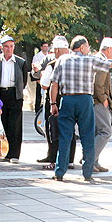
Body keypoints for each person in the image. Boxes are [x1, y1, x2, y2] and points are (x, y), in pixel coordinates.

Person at [49, 36, 112, 181]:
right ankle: (87, 173)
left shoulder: (62, 60)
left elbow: (54, 84)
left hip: (66, 99)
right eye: (87, 47)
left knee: (65, 137)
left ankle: (59, 172)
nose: (89, 49)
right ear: (81, 48)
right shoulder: (90, 60)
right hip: (85, 100)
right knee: (87, 137)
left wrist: (53, 103)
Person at [37, 39, 77, 169]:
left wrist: (42, 75)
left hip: (55, 102)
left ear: (57, 50)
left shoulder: (53, 64)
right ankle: (70, 159)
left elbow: (44, 85)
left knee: (53, 131)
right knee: (70, 130)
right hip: (72, 100)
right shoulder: (76, 62)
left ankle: (54, 159)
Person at [0, 35, 28, 163]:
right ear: (1, 47)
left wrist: (18, 92)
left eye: (11, 46)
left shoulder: (20, 62)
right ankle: (3, 152)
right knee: (2, 124)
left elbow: (24, 80)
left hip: (14, 95)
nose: (9, 49)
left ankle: (14, 154)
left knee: (15, 125)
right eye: (6, 46)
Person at [92, 37, 112, 173]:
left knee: (98, 132)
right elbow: (98, 83)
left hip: (97, 101)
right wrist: (104, 99)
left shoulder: (99, 58)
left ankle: (94, 161)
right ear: (109, 49)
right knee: (105, 131)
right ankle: (90, 159)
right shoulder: (102, 60)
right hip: (98, 101)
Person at [31, 42, 50, 112]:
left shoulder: (49, 55)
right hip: (40, 77)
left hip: (47, 77)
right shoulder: (37, 56)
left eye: (47, 46)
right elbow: (34, 68)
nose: (46, 48)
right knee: (38, 94)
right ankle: (37, 108)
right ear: (41, 47)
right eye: (44, 46)